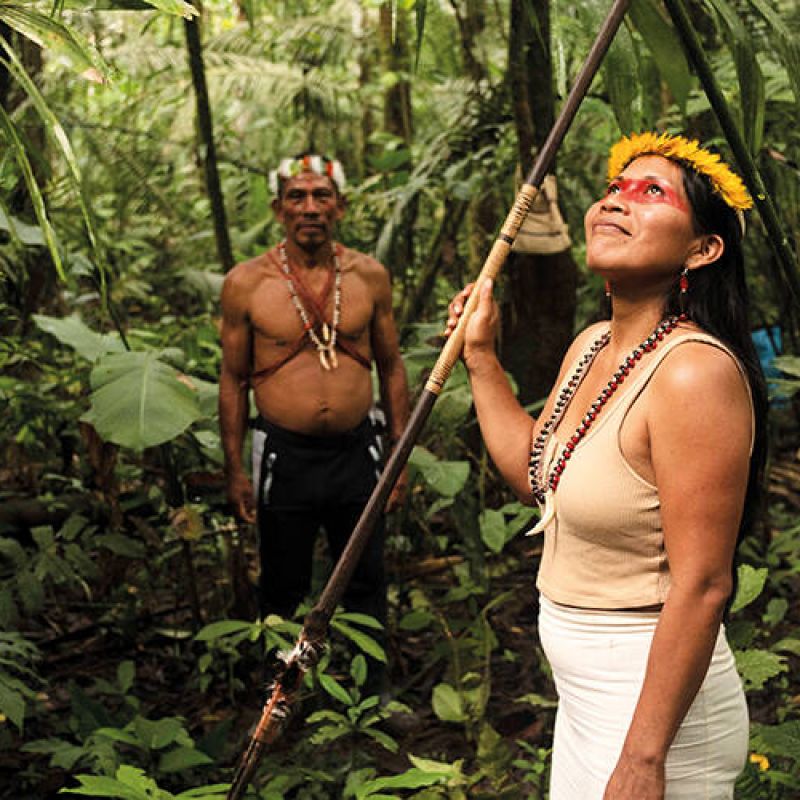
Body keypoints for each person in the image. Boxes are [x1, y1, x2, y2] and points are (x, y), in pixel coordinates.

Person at [445, 132, 766, 799]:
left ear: (703, 249)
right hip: (586, 700)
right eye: (615, 188)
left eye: (651, 192)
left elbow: (704, 583)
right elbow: (538, 475)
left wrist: (644, 759)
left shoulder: (693, 373)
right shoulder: (593, 345)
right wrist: (480, 357)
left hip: (653, 715)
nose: (616, 201)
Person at [218, 154, 410, 682]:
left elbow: (392, 367)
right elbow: (233, 379)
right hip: (285, 456)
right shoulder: (246, 283)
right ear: (278, 209)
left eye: (321, 196)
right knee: (283, 582)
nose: (309, 207)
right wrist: (234, 469)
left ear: (339, 207)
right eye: (296, 197)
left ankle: (371, 695)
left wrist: (398, 454)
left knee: (366, 578)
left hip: (358, 451)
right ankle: (279, 698)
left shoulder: (369, 276)